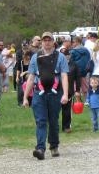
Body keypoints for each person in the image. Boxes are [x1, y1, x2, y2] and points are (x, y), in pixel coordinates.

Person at [23, 32, 70, 160]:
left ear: (53, 42)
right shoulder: (35, 57)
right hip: (39, 93)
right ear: (41, 42)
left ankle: (54, 146)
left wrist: (65, 94)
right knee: (41, 121)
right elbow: (31, 77)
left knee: (53, 120)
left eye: (49, 40)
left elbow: (64, 76)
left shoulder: (60, 57)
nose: (47, 42)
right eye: (45, 40)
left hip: (55, 94)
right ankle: (40, 148)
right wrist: (25, 97)